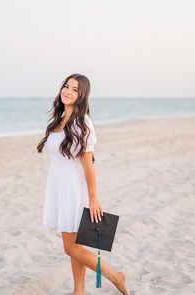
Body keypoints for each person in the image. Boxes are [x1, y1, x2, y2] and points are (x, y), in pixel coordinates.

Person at [37, 73, 129, 295]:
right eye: (66, 86)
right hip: (57, 188)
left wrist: (93, 197)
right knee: (75, 246)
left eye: (75, 89)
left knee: (70, 247)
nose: (68, 91)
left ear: (82, 95)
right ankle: (79, 291)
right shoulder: (58, 120)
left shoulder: (82, 122)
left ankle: (116, 276)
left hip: (72, 189)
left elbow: (88, 164)